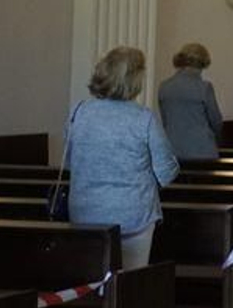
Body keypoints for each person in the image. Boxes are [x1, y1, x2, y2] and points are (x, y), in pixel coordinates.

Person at [65, 47, 180, 269]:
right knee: (128, 284)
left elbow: (72, 162)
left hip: (84, 213)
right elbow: (166, 172)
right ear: (134, 80)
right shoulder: (143, 118)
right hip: (133, 216)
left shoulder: (78, 112)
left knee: (91, 279)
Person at [157, 43, 224, 160]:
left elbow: (165, 120)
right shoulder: (204, 88)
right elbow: (216, 121)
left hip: (172, 151)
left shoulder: (164, 87)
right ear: (202, 65)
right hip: (202, 151)